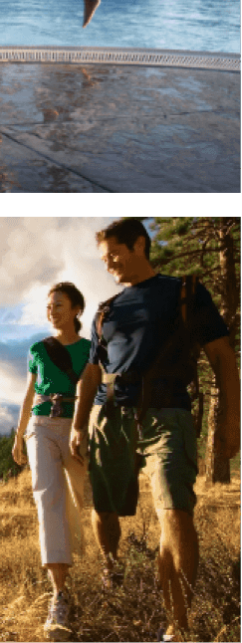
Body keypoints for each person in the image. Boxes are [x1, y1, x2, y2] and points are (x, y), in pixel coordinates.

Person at [69, 219, 240, 643]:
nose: (108, 263)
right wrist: (77, 425)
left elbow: (223, 357)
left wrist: (233, 421)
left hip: (168, 414)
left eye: (114, 254)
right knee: (105, 509)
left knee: (175, 512)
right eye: (104, 258)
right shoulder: (106, 310)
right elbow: (91, 374)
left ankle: (178, 626)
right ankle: (113, 565)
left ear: (139, 245)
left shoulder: (184, 292)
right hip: (110, 417)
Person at [13, 282, 90, 642]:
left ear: (76, 309)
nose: (52, 310)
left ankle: (104, 567)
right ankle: (59, 595)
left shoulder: (92, 349)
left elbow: (100, 393)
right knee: (48, 501)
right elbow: (29, 394)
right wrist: (18, 435)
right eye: (49, 306)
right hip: (41, 426)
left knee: (87, 500)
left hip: (78, 427)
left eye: (58, 304)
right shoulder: (37, 349)